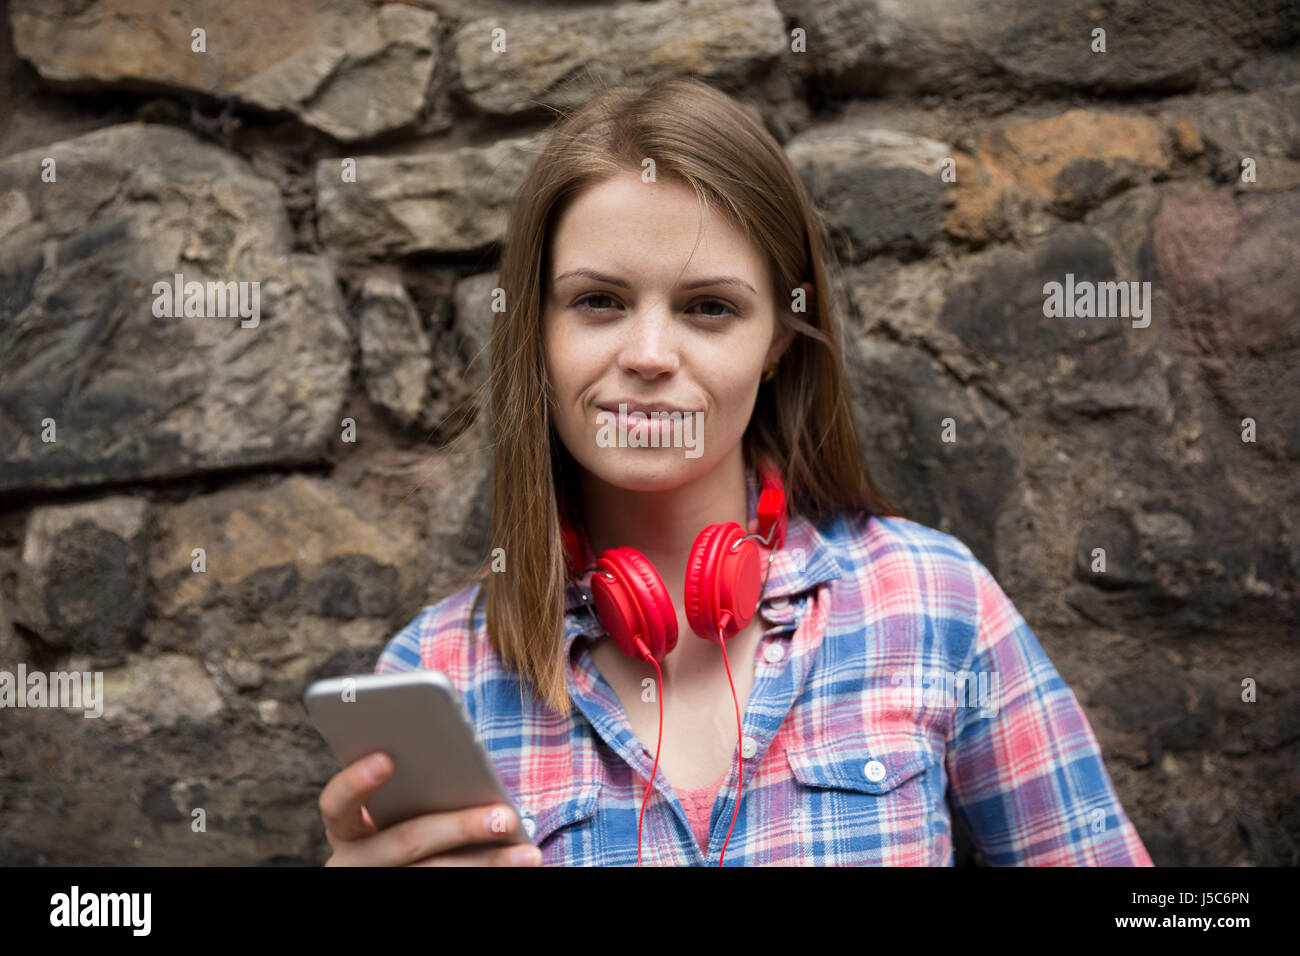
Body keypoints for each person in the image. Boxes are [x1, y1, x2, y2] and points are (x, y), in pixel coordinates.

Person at [317, 76, 1153, 867]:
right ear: (535, 327)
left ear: (780, 337)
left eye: (709, 308)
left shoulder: (934, 604)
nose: (648, 356)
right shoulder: (439, 679)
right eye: (598, 302)